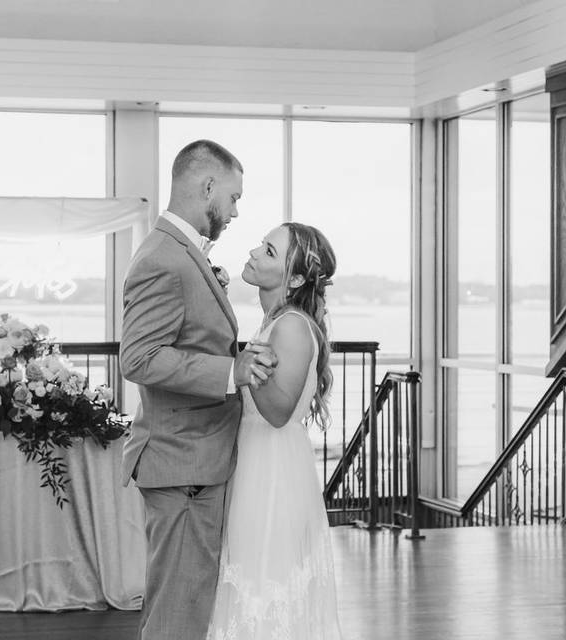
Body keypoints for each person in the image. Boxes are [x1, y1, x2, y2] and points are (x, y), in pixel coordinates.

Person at [119, 139, 278, 640]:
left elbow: (187, 333)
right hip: (183, 462)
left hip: (194, 459)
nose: (235, 211)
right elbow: (139, 357)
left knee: (181, 609)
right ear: (207, 186)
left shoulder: (181, 252)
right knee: (178, 617)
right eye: (232, 197)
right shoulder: (164, 257)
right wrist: (230, 372)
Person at [206, 222, 344, 640]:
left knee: (264, 581)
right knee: (250, 579)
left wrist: (242, 367)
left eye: (268, 252)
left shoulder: (292, 327)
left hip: (271, 471)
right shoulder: (273, 322)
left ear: (296, 278)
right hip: (253, 459)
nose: (253, 252)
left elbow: (280, 412)